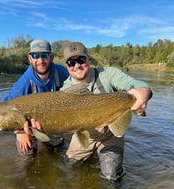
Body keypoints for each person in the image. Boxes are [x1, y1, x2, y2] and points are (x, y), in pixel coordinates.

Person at [21, 41, 152, 181]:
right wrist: (40, 129)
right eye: (71, 62)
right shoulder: (65, 91)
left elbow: (139, 86)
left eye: (81, 60)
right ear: (67, 66)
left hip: (111, 134)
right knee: (67, 169)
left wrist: (143, 93)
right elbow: (60, 123)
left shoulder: (108, 74)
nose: (77, 65)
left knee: (111, 177)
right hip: (85, 134)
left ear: (88, 59)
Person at [5, 39, 69, 157]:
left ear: (51, 57)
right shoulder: (23, 84)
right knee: (26, 152)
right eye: (35, 56)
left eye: (45, 55)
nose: (40, 61)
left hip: (54, 121)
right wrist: (21, 131)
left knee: (57, 150)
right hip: (27, 124)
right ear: (30, 59)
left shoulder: (61, 72)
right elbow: (6, 109)